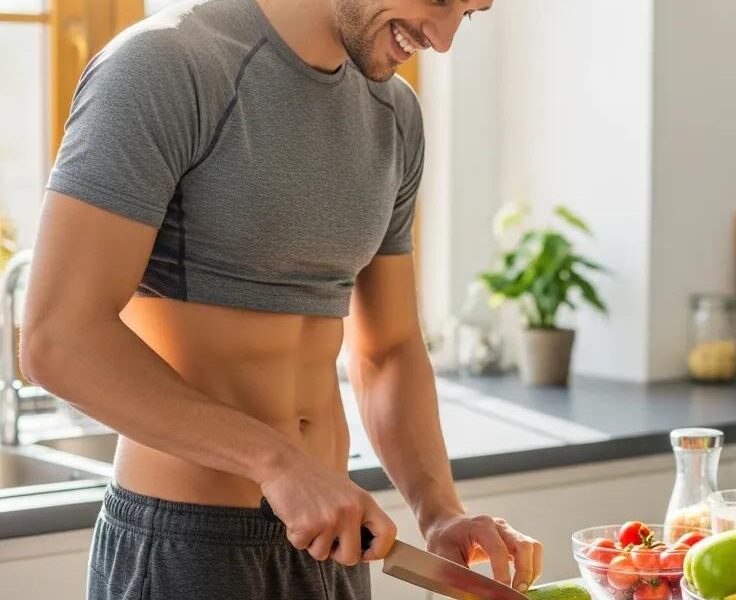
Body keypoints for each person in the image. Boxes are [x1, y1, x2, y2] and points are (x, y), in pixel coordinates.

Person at [21, 0, 542, 598]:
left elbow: (390, 348)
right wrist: (276, 461)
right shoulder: (165, 65)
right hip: (189, 550)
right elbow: (57, 340)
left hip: (332, 542)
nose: (444, 39)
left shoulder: (394, 115)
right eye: (441, 1)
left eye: (469, 13)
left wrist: (439, 509)